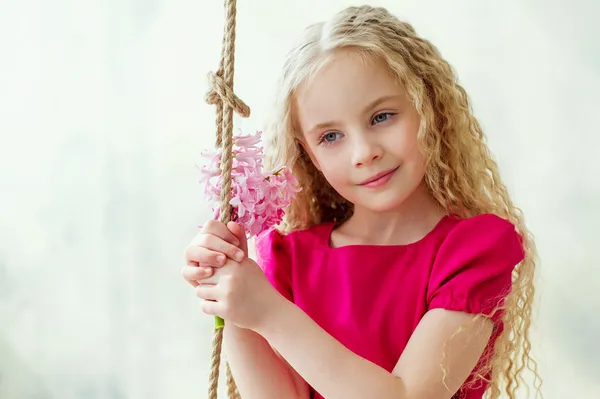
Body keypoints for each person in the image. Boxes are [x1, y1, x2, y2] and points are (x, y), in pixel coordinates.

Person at [182, 5, 541, 399]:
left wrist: (267, 312)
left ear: (428, 106)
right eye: (330, 137)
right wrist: (231, 295)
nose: (363, 152)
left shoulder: (474, 251)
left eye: (382, 116)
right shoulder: (286, 257)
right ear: (309, 154)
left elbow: (406, 395)